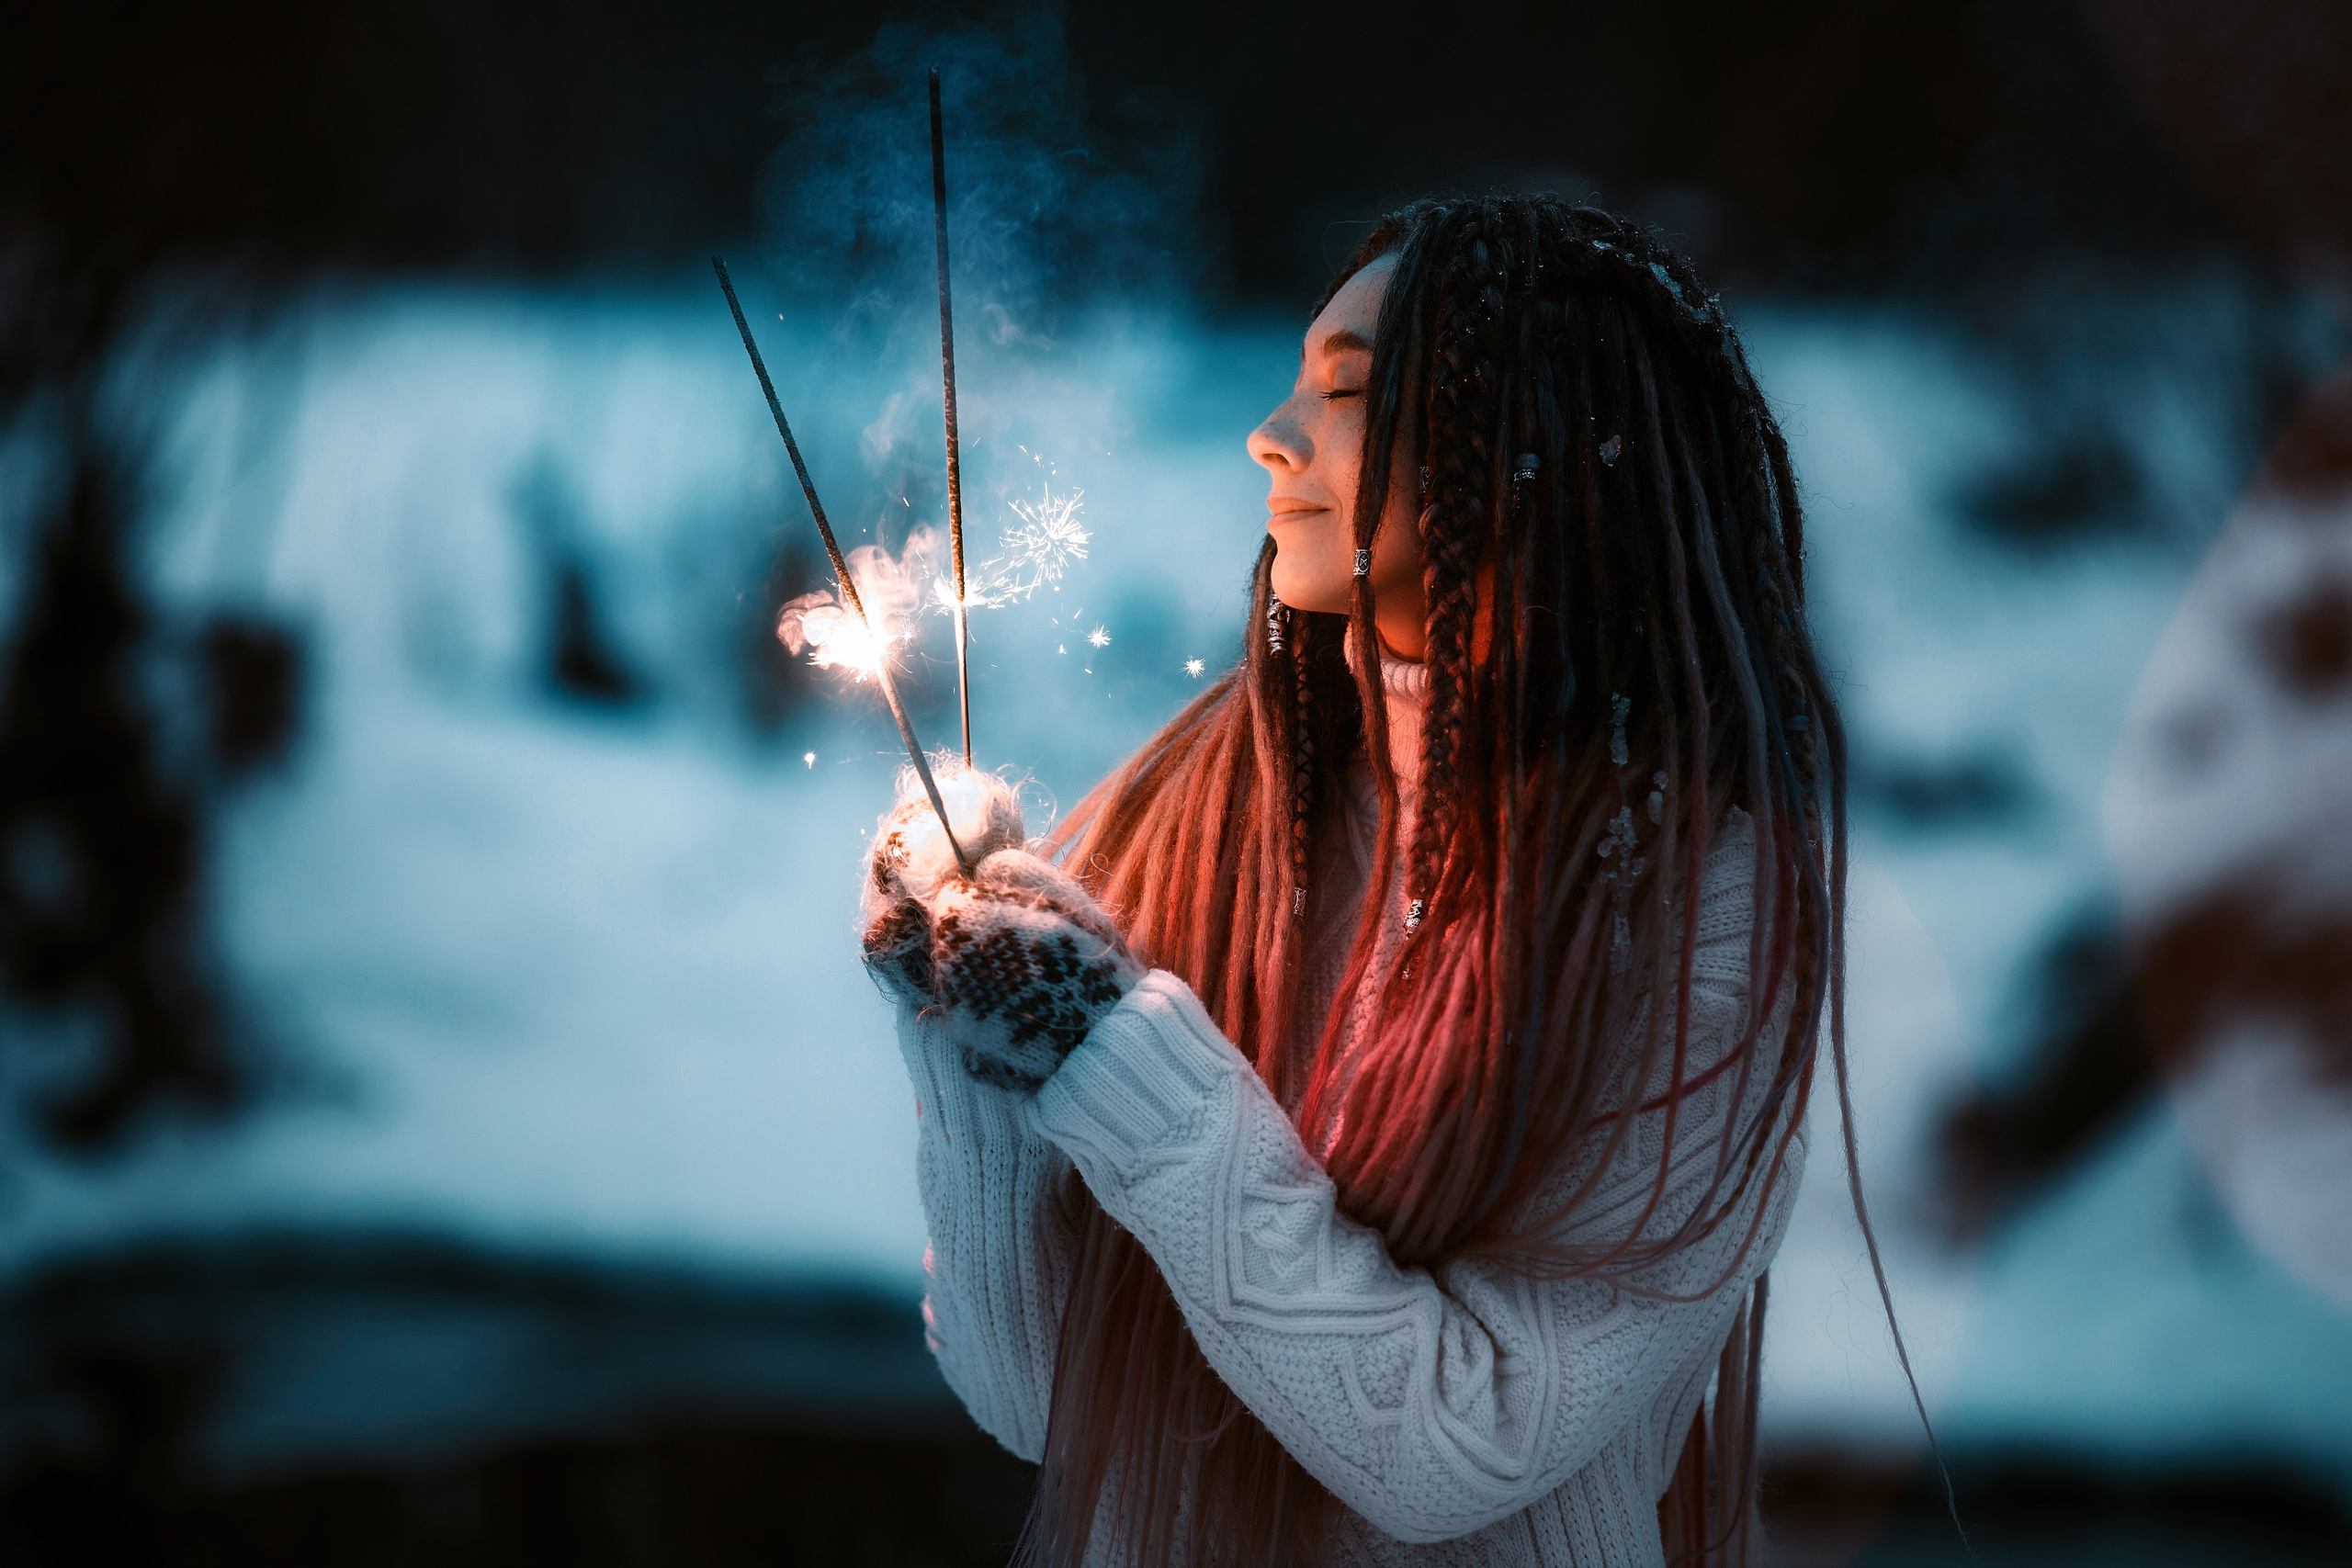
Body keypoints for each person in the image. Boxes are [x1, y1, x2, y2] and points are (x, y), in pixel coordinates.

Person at [862, 195, 1844, 1568]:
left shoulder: (1693, 906)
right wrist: (971, 1055)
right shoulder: (1196, 806)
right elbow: (1036, 1398)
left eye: (1348, 390)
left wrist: (1114, 1053)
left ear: (1533, 450)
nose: (1272, 434)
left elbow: (1453, 1445)